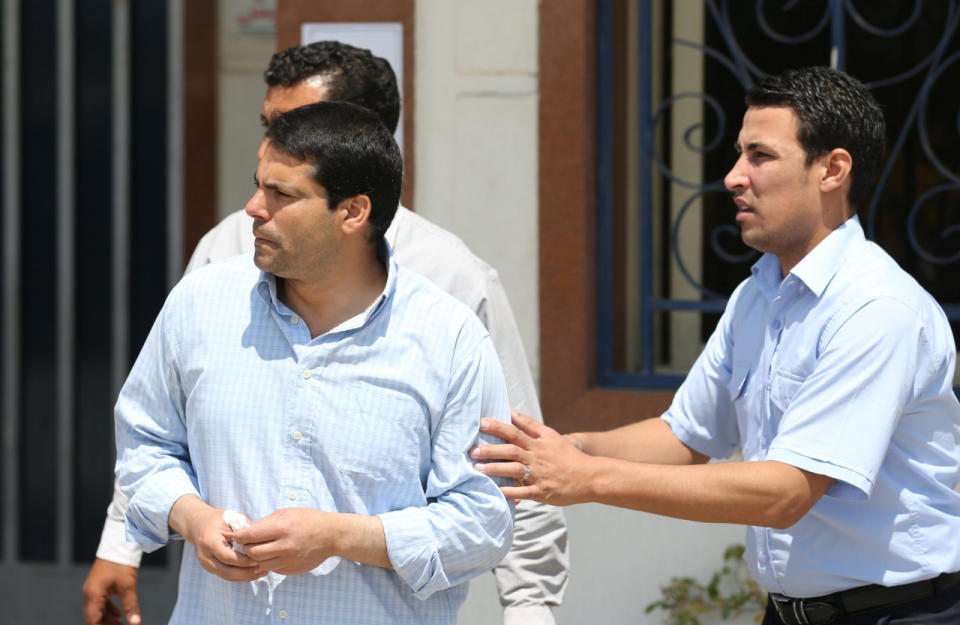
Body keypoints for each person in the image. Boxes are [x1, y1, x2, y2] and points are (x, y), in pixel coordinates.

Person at [82, 41, 568, 625]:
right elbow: (149, 441)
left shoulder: (452, 316)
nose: (253, 209)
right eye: (263, 166)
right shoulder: (207, 290)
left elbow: (495, 503)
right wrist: (184, 518)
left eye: (283, 193)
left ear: (353, 210)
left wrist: (344, 537)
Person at [472, 66, 960, 625]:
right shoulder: (760, 293)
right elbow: (685, 436)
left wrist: (587, 480)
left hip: (901, 614)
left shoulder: (877, 309)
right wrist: (569, 447)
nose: (732, 176)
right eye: (738, 154)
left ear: (833, 170)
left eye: (760, 156)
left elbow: (785, 493)